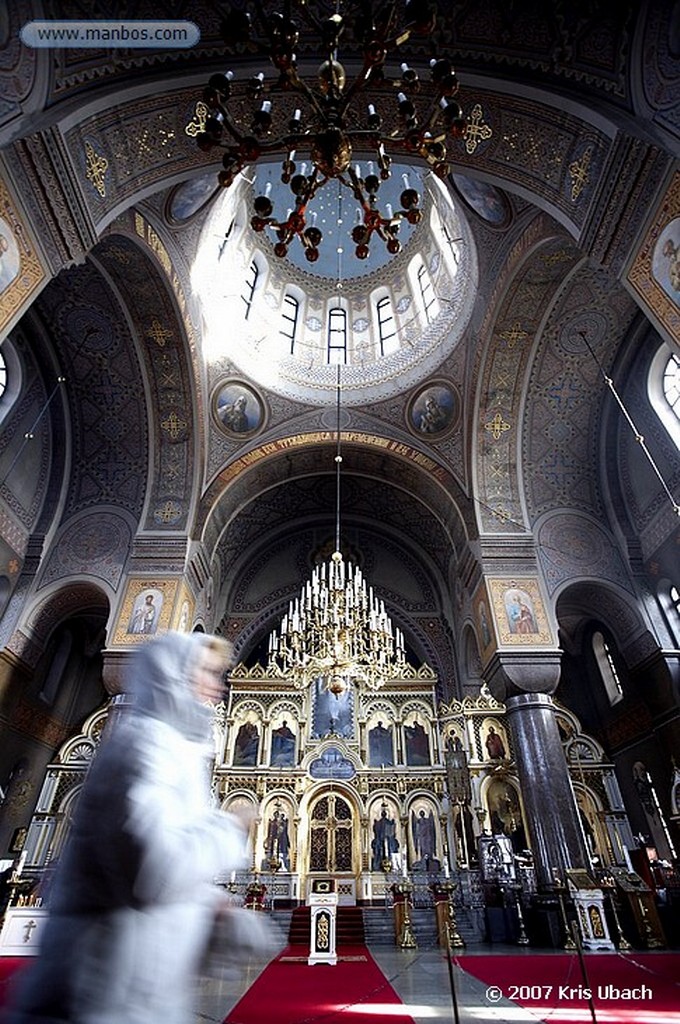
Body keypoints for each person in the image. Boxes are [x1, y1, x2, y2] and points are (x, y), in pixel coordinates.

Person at [3, 631, 255, 1024]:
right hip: (99, 988)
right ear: (174, 676)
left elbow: (151, 872)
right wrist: (229, 829)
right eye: (207, 672)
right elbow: (155, 871)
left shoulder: (179, 750)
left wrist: (209, 905)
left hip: (139, 982)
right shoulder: (142, 748)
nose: (219, 687)